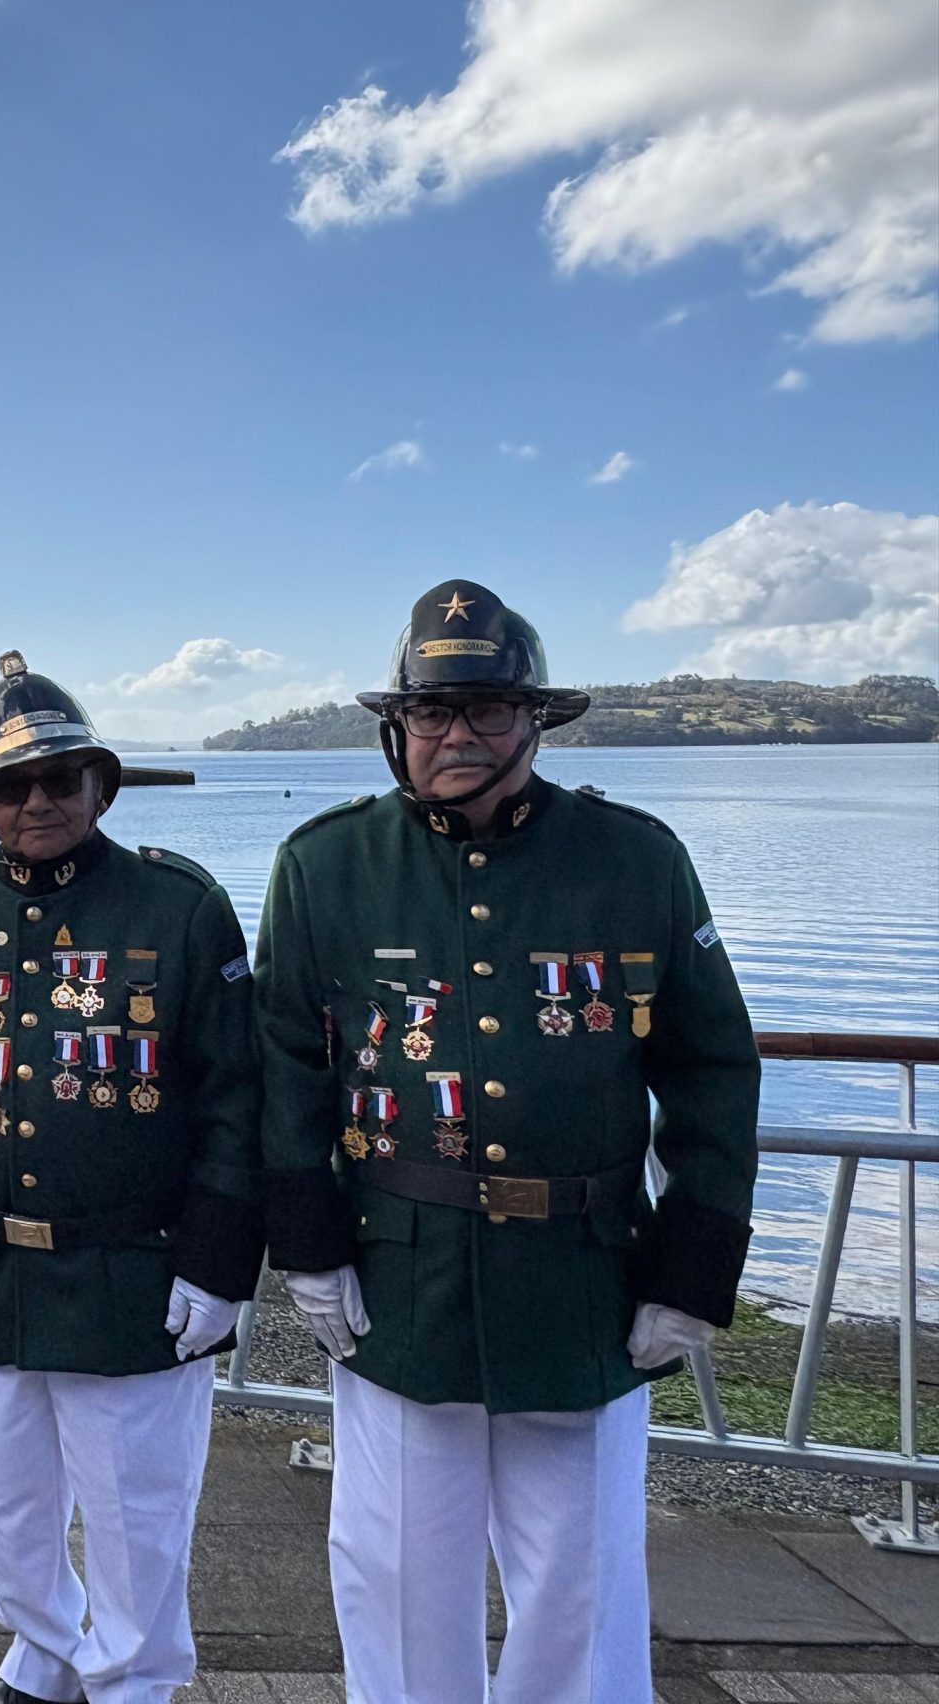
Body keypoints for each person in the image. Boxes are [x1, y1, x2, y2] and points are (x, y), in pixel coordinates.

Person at [257, 579, 761, 1704]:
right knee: (392, 1573)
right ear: (396, 729)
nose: (458, 735)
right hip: (402, 1275)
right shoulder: (323, 865)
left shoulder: (634, 858)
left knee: (578, 1586)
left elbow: (711, 1069)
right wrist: (309, 1247)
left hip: (579, 1281)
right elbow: (286, 1068)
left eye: (486, 710)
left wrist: (690, 1265)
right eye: (434, 713)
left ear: (535, 719)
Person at [0, 653, 261, 1704]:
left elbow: (234, 1099)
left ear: (100, 785)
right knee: (8, 1502)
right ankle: (40, 1656)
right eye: (9, 786)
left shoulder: (178, 906)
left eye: (58, 779)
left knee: (136, 1510)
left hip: (135, 1265)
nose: (34, 801)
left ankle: (133, 1682)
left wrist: (221, 1264)